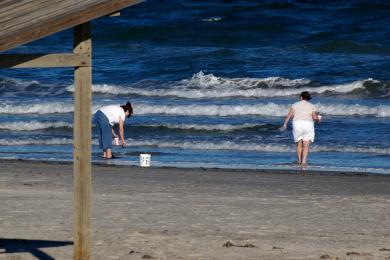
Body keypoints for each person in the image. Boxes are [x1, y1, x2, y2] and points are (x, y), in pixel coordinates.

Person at [282, 91, 321, 165]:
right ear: (308, 98)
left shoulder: (295, 104)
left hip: (297, 123)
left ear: (301, 97)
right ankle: (304, 162)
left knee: (299, 144)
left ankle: (299, 160)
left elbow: (289, 115)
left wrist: (285, 123)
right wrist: (319, 120)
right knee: (306, 144)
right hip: (308, 124)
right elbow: (315, 118)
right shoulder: (312, 105)